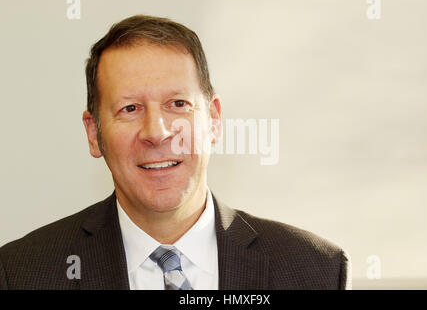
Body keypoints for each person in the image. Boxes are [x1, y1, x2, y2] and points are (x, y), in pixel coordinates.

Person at [0, 15, 351, 290]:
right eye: (130, 108)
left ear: (213, 121)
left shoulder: (315, 270)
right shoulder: (20, 274)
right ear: (94, 134)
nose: (157, 132)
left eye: (178, 104)